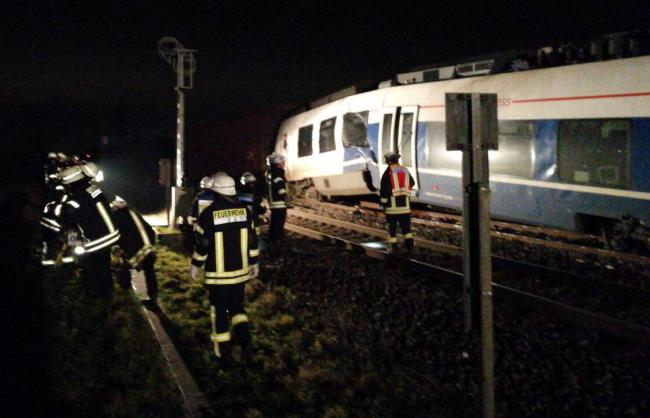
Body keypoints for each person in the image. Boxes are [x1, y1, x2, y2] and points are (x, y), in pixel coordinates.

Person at [190, 172, 260, 364]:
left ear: (215, 192)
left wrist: (196, 265)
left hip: (218, 277)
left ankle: (222, 354)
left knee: (219, 312)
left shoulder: (208, 214)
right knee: (237, 308)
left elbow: (203, 245)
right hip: (240, 274)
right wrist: (254, 263)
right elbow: (253, 241)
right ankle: (245, 343)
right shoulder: (245, 211)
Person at [58, 162, 120, 298]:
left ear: (69, 183)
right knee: (104, 265)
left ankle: (95, 293)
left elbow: (70, 226)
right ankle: (108, 292)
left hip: (95, 241)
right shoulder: (93, 189)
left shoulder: (73, 201)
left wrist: (73, 244)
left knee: (91, 267)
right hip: (112, 234)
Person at [110, 196, 159, 304]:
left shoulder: (116, 217)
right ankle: (153, 295)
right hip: (147, 247)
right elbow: (150, 230)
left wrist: (119, 250)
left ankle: (125, 288)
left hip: (132, 249)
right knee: (149, 271)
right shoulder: (134, 214)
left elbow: (117, 235)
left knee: (125, 266)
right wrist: (151, 244)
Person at [379, 151, 415, 254]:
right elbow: (412, 183)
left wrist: (383, 203)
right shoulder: (404, 170)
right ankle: (410, 248)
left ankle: (393, 248)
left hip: (392, 208)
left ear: (388, 161)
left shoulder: (388, 172)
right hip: (405, 207)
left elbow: (384, 190)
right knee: (407, 230)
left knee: (392, 230)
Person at [265, 153, 288, 243]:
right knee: (279, 224)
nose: (284, 164)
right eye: (282, 161)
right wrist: (285, 197)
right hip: (280, 203)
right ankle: (278, 240)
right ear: (278, 163)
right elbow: (280, 186)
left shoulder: (269, 172)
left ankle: (273, 240)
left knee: (274, 223)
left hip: (273, 203)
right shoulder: (277, 172)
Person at [238, 171, 267, 237]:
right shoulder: (255, 193)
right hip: (253, 219)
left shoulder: (239, 193)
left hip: (241, 220)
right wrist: (263, 209)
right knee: (255, 237)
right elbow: (259, 207)